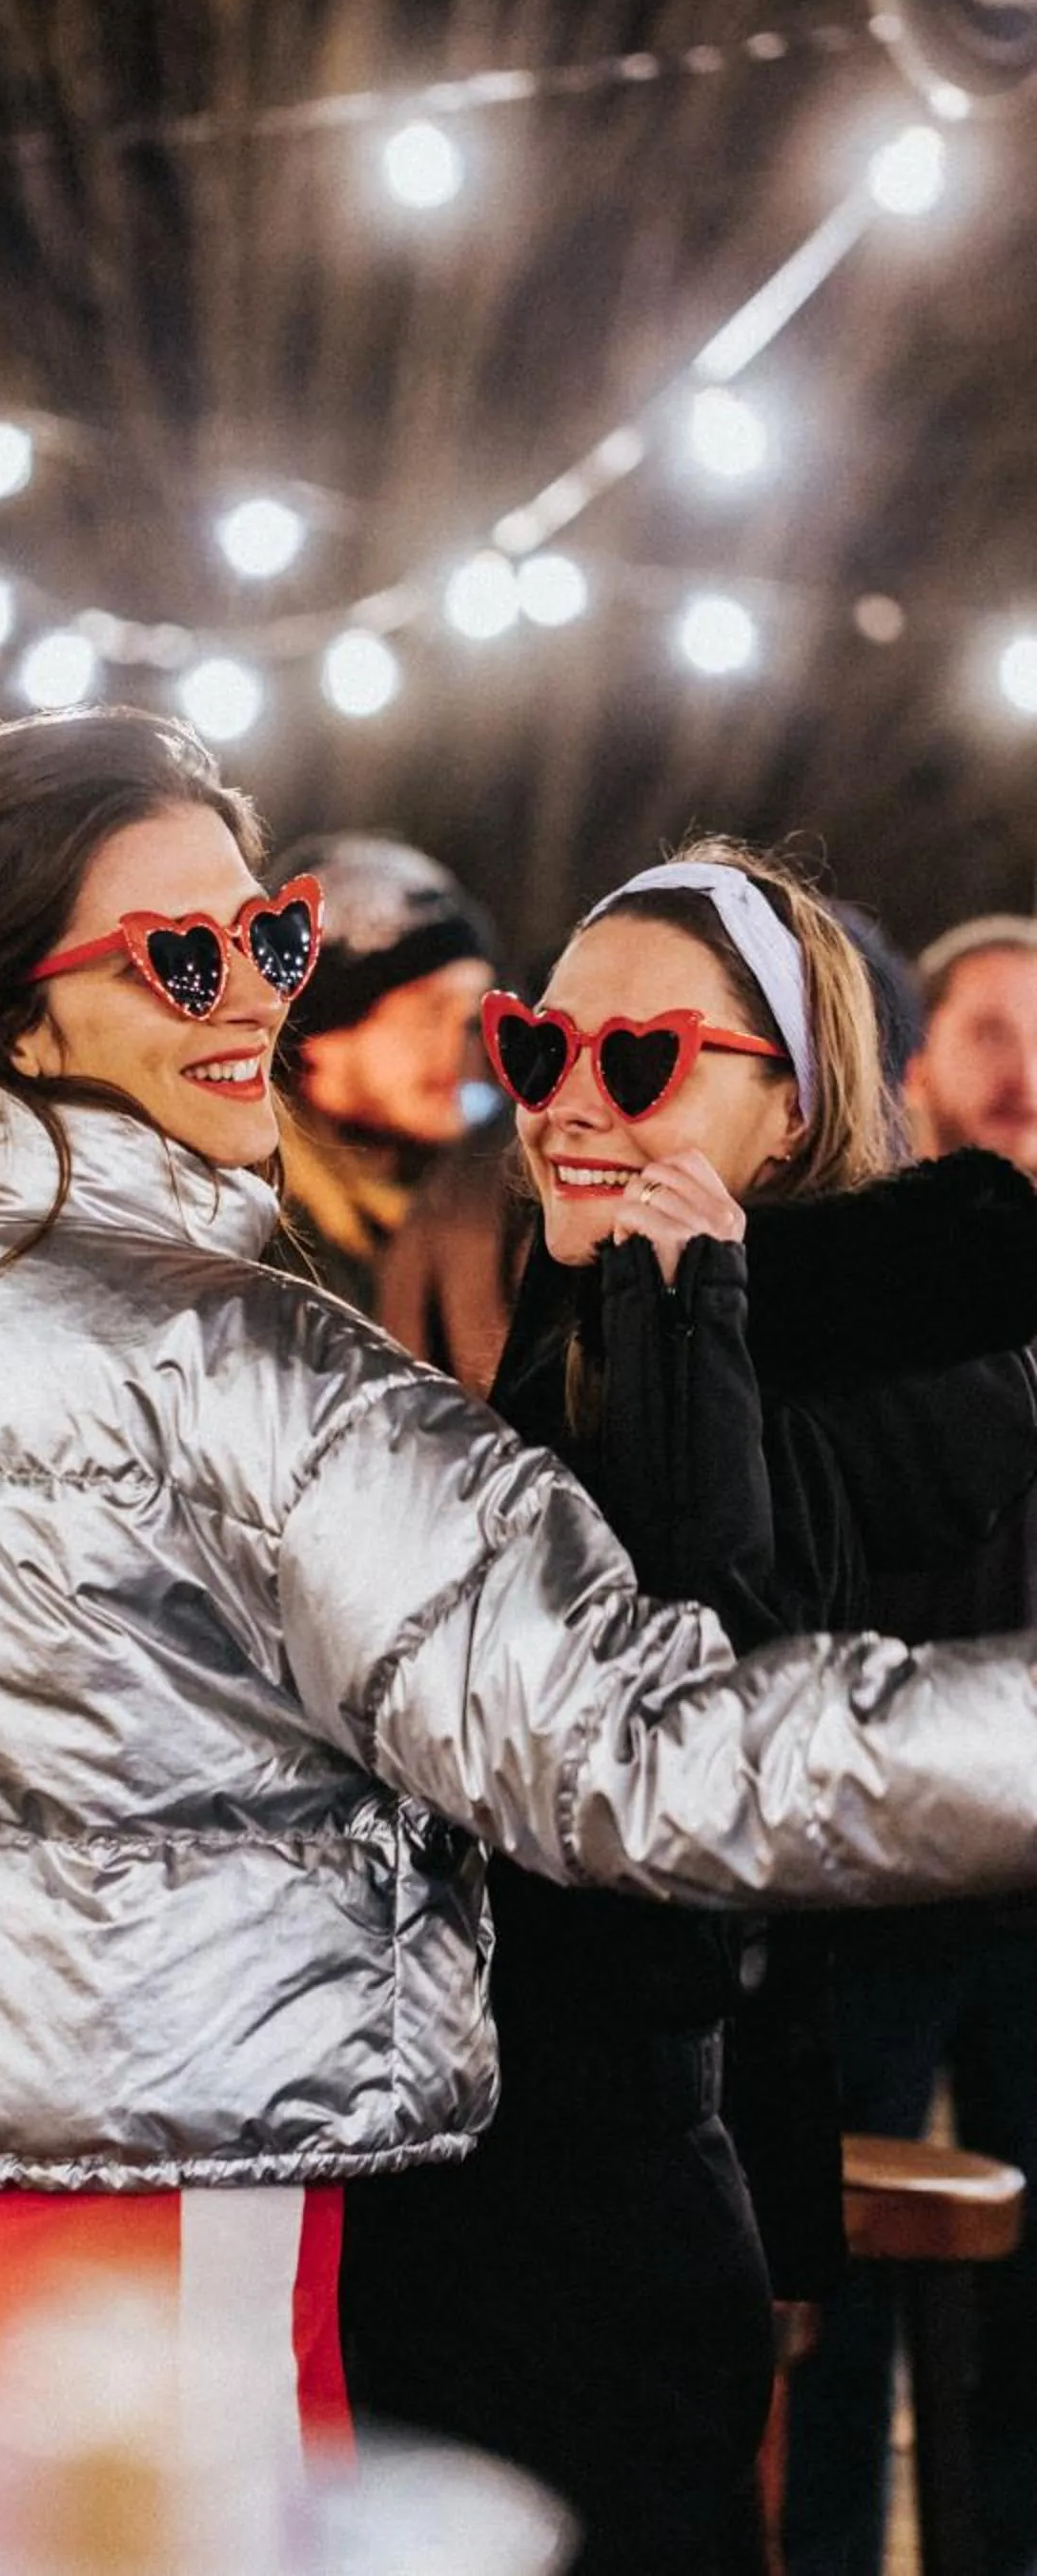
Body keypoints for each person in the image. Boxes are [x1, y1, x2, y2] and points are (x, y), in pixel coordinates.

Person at [0, 714, 1037, 2472]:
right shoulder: (261, 1370)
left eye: (272, 938)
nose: (255, 997)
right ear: (7, 1012)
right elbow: (638, 1750)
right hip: (165, 2268)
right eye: (182, 959)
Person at [344, 844, 1037, 2575]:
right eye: (534, 1049)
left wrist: (695, 1302)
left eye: (642, 1061)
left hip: (598, 2207)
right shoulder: (588, 1315)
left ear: (786, 1115)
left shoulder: (748, 1357)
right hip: (472, 2175)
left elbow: (678, 1749)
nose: (571, 1103)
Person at [783, 911, 1037, 2576]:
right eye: (990, 1031)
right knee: (838, 2254)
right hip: (868, 1842)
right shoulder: (856, 1262)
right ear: (923, 1058)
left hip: (1030, 1872)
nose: (1020, 1070)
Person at [268, 833, 499, 1317]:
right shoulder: (272, 1259)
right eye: (429, 1012)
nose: (464, 1045)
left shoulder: (477, 1199)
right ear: (320, 1035)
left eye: (471, 1015)